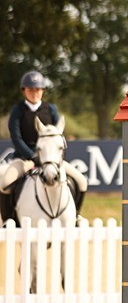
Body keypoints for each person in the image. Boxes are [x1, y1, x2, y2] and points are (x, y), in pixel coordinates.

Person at [1, 71, 87, 223]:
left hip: (50, 159)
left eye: (37, 90)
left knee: (81, 181)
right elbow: (16, 137)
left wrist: (53, 157)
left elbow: (58, 134)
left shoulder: (51, 109)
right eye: (30, 90)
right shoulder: (18, 111)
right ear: (24, 91)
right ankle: (9, 220)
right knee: (5, 183)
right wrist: (32, 156)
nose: (34, 93)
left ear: (42, 91)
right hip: (25, 158)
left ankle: (76, 216)